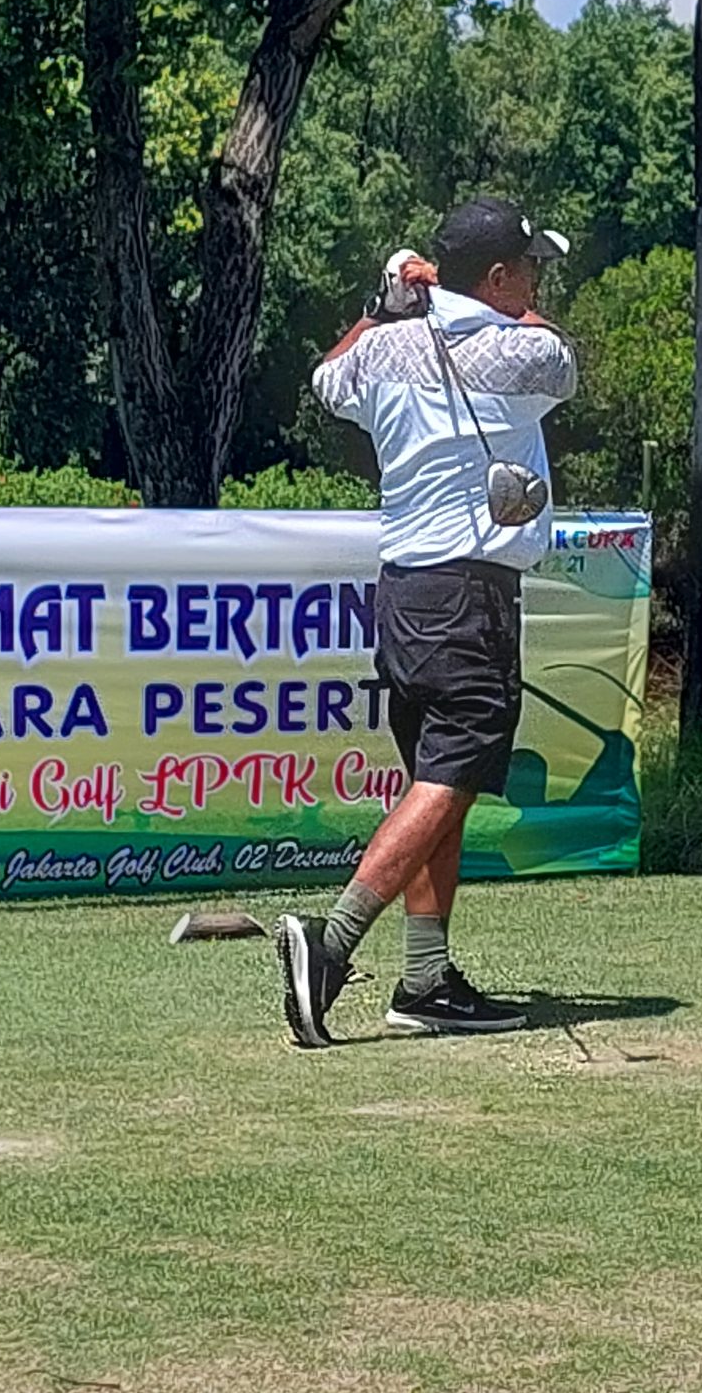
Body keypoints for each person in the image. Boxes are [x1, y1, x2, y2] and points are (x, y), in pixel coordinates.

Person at [276, 196, 577, 1047]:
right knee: (453, 776)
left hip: (404, 592)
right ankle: (332, 943)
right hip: (469, 596)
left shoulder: (381, 349)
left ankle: (426, 979)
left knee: (436, 783)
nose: (537, 284)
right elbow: (560, 358)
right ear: (497, 275)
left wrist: (386, 306)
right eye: (528, 269)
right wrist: (448, 304)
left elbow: (328, 379)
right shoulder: (523, 349)